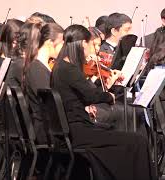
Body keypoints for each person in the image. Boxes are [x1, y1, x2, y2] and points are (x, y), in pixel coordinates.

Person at [51, 24, 155, 180]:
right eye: (90, 44)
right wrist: (110, 96)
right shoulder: (70, 69)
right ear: (83, 44)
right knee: (138, 140)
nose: (92, 50)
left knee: (122, 134)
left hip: (72, 130)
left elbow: (84, 96)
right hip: (79, 132)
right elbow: (93, 96)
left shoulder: (59, 67)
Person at [22, 23, 64, 143]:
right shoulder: (36, 69)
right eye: (61, 43)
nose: (63, 47)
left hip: (49, 126)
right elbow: (50, 103)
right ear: (49, 42)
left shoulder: (41, 66)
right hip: (47, 131)